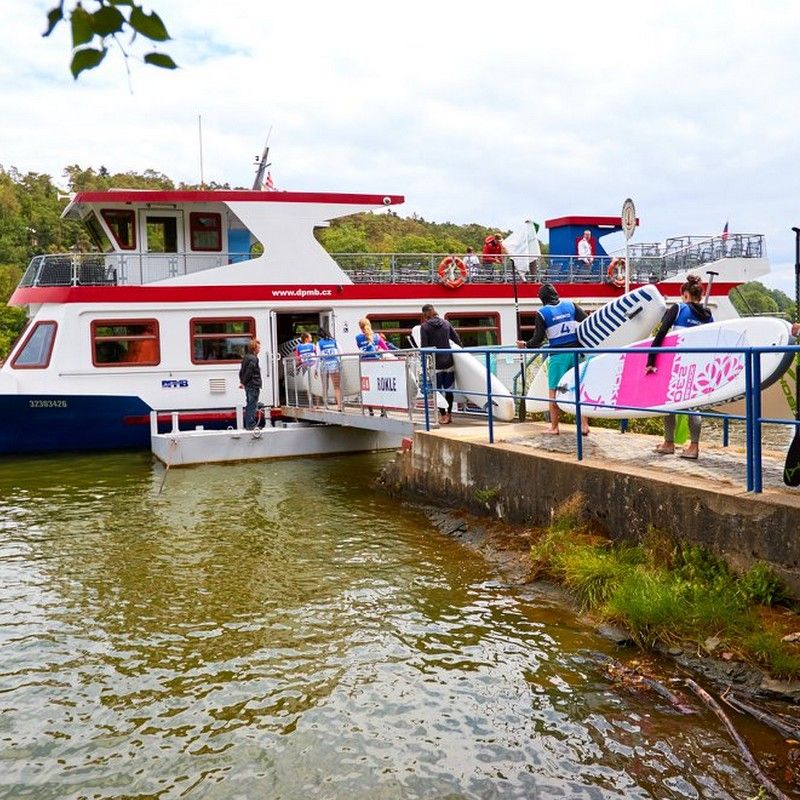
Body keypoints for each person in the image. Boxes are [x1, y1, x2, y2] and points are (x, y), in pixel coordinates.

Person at [646, 274, 713, 459]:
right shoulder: (708, 315)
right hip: (698, 366)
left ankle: (669, 443)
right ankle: (694, 447)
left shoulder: (679, 308)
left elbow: (661, 333)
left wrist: (651, 361)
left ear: (685, 295)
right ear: (699, 295)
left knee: (670, 403)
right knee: (694, 405)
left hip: (676, 364)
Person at [516, 283, 590, 436]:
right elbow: (587, 321)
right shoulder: (571, 305)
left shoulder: (542, 313)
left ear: (542, 298)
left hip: (558, 356)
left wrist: (525, 345)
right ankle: (584, 426)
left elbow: (537, 339)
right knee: (577, 390)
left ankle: (554, 427)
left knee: (554, 392)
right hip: (577, 354)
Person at [420, 304, 462, 424]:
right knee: (449, 390)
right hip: (449, 361)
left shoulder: (425, 327)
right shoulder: (446, 323)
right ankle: (449, 414)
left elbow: (424, 347)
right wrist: (464, 352)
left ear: (425, 314)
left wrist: (425, 364)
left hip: (436, 363)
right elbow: (456, 339)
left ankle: (443, 416)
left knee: (437, 391)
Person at [355, 318, 387, 416]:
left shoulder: (358, 337)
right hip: (376, 363)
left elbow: (360, 348)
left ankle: (371, 411)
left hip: (365, 365)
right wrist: (377, 348)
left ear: (360, 327)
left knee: (367, 387)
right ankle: (382, 410)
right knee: (378, 387)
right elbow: (385, 348)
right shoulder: (377, 336)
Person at [238, 338, 262, 430]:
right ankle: (251, 425)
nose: (259, 349)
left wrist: (242, 382)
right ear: (254, 348)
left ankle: (249, 424)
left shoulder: (246, 357)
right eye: (258, 348)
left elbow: (241, 372)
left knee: (249, 403)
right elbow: (249, 371)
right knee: (252, 404)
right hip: (253, 384)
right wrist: (243, 382)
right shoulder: (254, 358)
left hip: (248, 385)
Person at [317, 327, 341, 408]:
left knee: (325, 386)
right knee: (337, 387)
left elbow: (318, 357)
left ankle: (326, 405)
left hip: (324, 365)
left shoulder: (319, 343)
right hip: (334, 364)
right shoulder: (334, 341)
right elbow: (341, 352)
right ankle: (339, 406)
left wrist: (316, 369)